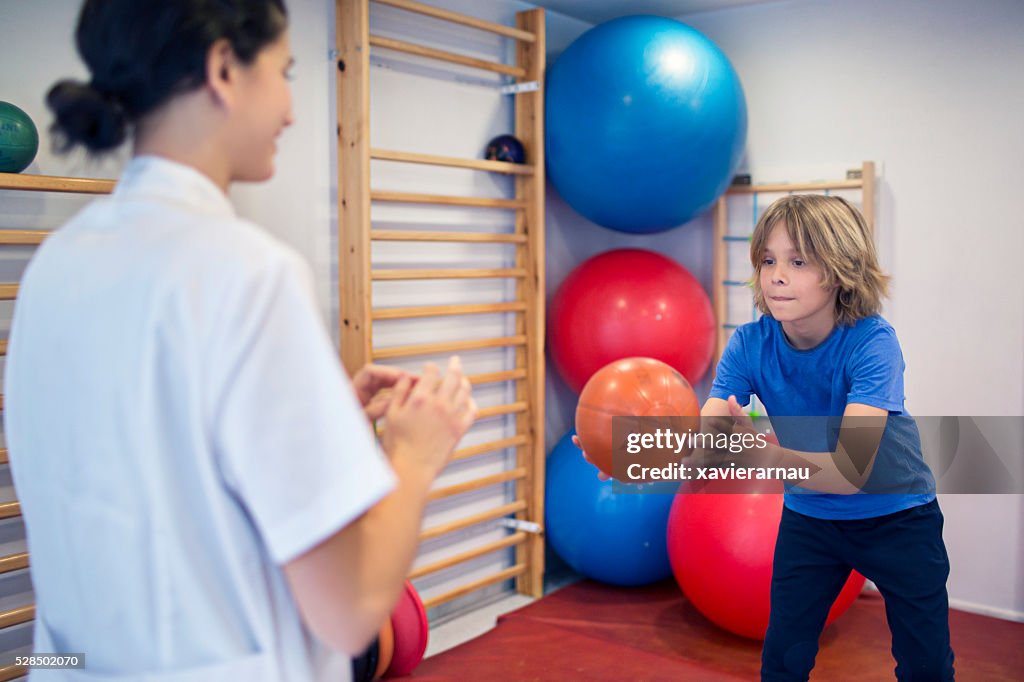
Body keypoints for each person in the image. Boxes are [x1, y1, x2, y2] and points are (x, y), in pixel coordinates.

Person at [4, 1, 476, 680]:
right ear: (225, 68)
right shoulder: (248, 274)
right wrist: (414, 455)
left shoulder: (57, 262)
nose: (289, 109)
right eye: (284, 72)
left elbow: (149, 463)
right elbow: (351, 608)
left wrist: (317, 420)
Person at [579, 194, 953, 681]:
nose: (776, 275)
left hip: (898, 519)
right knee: (783, 661)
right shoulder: (749, 344)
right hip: (812, 522)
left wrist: (758, 451)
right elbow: (707, 447)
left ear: (840, 271)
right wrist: (641, 462)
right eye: (769, 260)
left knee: (926, 666)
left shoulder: (872, 343)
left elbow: (850, 471)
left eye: (798, 262)